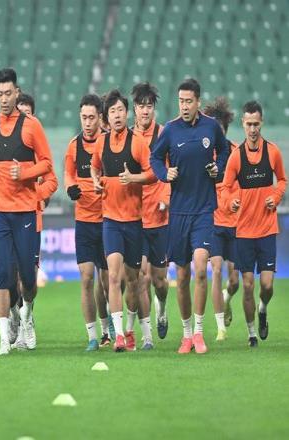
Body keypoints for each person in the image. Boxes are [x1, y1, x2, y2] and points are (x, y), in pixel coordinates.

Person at [150, 78, 229, 354]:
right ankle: (185, 335)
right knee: (182, 277)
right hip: (179, 212)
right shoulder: (170, 130)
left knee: (200, 268)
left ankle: (198, 332)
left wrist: (218, 168)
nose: (184, 106)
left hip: (204, 210)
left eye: (188, 101)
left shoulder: (211, 127)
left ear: (198, 102)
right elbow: (154, 158)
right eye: (181, 101)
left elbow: (225, 150)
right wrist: (164, 173)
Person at [0, 68, 53, 355]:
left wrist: (24, 173)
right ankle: (3, 340)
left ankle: (27, 314)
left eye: (8, 93)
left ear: (17, 92)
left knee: (28, 279)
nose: (4, 99)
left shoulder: (31, 125)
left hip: (24, 212)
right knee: (2, 274)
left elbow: (46, 164)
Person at [90, 89, 156, 352]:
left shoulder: (137, 143)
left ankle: (137, 331)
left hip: (134, 222)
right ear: (106, 117)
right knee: (113, 277)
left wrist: (133, 178)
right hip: (111, 221)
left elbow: (153, 174)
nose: (117, 115)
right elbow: (95, 166)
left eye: (120, 110)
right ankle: (118, 336)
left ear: (127, 114)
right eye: (112, 111)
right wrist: (95, 180)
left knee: (134, 281)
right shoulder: (101, 143)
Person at [223, 101, 287, 347]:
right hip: (244, 232)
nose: (252, 129)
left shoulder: (273, 152)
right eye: (248, 124)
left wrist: (276, 196)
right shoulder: (236, 157)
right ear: (243, 123)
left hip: (267, 229)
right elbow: (225, 189)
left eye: (256, 124)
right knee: (248, 285)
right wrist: (231, 203)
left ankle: (263, 308)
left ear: (262, 123)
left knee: (267, 286)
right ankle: (251, 334)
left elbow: (282, 180)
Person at [64, 94, 110, 351]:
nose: (88, 123)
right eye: (84, 118)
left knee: (108, 281)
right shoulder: (74, 146)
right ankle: (93, 336)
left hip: (108, 220)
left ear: (100, 118)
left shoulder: (108, 144)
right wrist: (70, 187)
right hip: (84, 221)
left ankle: (109, 326)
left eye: (92, 118)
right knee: (86, 278)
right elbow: (68, 173)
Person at [131, 82, 170, 349]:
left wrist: (166, 198)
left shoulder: (163, 134)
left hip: (160, 217)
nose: (145, 111)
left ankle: (162, 308)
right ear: (134, 109)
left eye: (149, 106)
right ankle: (146, 336)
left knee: (159, 280)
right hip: (136, 218)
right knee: (141, 276)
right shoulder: (128, 137)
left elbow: (171, 169)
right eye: (141, 106)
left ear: (154, 109)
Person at [202, 97, 240, 341]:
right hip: (212, 222)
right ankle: (220, 329)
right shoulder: (203, 155)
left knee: (235, 280)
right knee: (215, 270)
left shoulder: (236, 153)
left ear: (225, 130)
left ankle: (227, 297)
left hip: (235, 223)